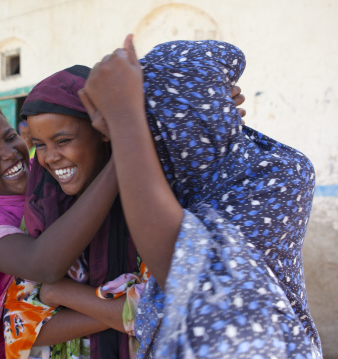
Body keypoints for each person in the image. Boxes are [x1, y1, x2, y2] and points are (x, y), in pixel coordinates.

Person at [77, 35, 322, 358]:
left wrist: (125, 118)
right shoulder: (188, 184)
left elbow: (183, 259)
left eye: (151, 128)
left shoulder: (279, 175)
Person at [15, 64, 246, 359]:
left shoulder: (157, 200)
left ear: (103, 131)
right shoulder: (43, 210)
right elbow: (22, 326)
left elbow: (177, 309)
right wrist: (123, 314)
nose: (49, 157)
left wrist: (59, 293)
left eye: (63, 141)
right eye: (39, 145)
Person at [0, 97, 123, 359]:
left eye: (9, 137)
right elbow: (43, 266)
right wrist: (121, 158)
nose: (9, 152)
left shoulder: (51, 174)